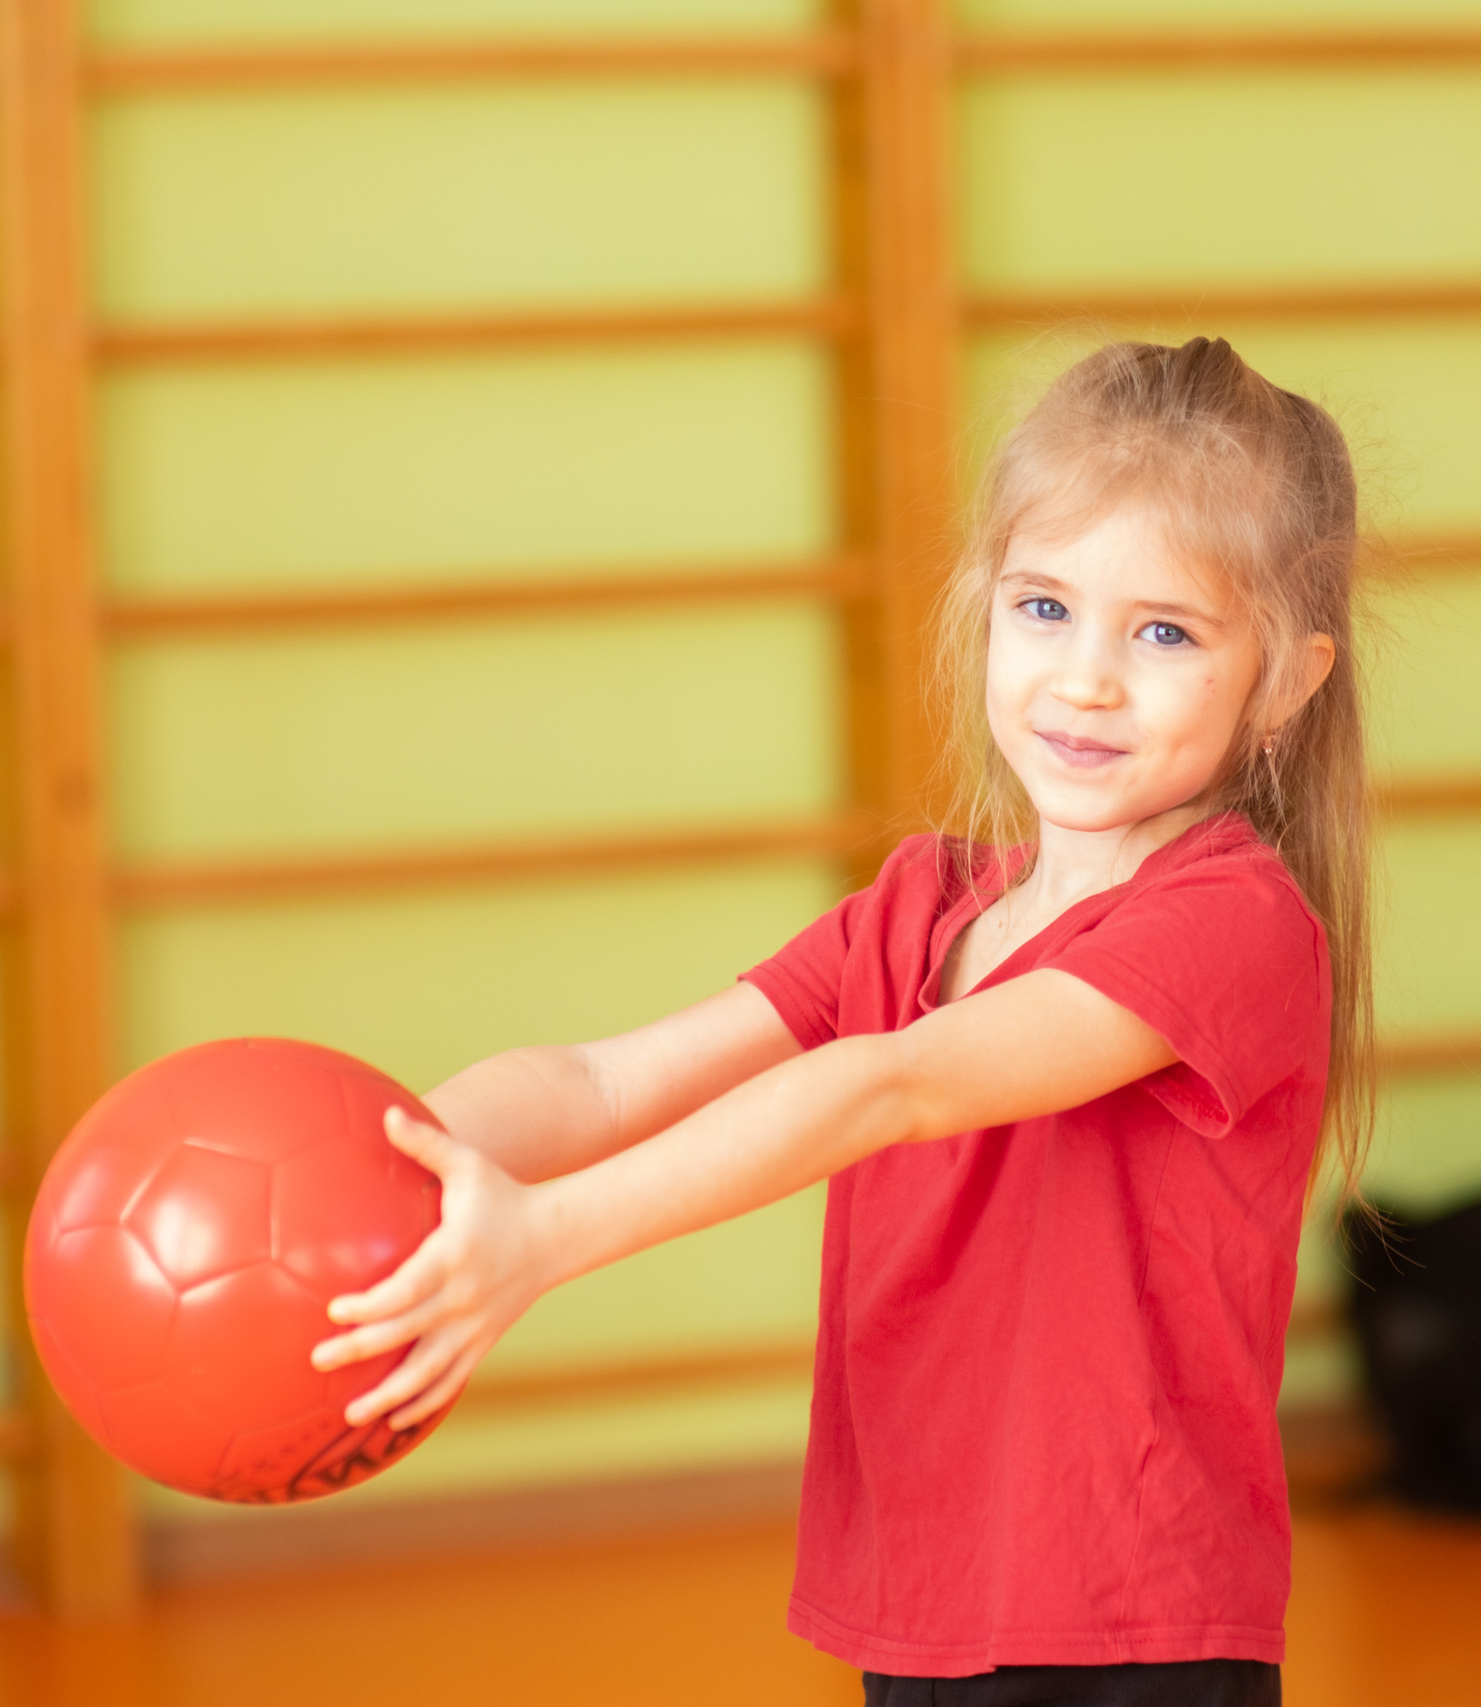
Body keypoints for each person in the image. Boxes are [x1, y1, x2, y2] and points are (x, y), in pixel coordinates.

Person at [312, 337, 1373, 1706]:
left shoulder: (1233, 923)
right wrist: (394, 1167)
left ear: (1285, 680)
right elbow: (604, 1083)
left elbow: (895, 1086)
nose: (1086, 679)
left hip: (1133, 1625)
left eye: (1163, 633)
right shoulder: (916, 908)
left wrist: (545, 1241)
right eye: (1044, 608)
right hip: (919, 1601)